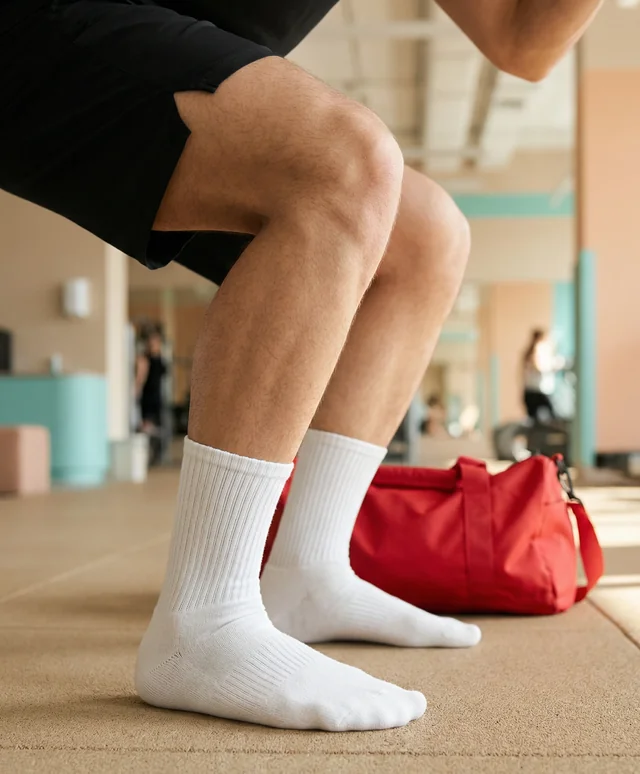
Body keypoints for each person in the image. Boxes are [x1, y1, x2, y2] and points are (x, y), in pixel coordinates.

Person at [1, 0, 602, 733]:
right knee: (341, 161)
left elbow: (521, 42)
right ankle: (203, 615)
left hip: (149, 47)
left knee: (425, 242)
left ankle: (307, 569)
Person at [135, 329, 168, 463]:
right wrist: (136, 390)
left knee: (157, 425)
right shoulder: (144, 359)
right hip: (147, 396)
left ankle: (157, 454)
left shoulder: (160, 359)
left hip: (157, 396)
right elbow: (141, 377)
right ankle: (147, 455)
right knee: (146, 425)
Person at [522, 329, 563, 422]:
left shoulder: (530, 353)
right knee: (552, 418)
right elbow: (540, 368)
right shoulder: (534, 353)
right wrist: (553, 367)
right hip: (536, 392)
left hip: (531, 391)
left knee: (535, 421)